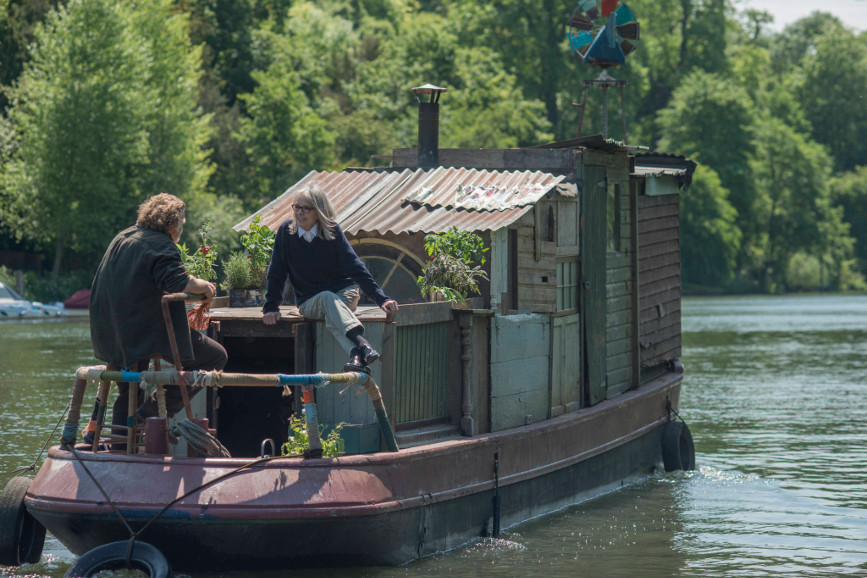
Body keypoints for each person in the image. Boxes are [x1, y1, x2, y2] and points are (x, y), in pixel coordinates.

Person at [89, 193, 228, 441]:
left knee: (128, 390)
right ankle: (151, 412)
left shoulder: (123, 237)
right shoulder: (160, 244)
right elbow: (179, 281)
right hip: (142, 331)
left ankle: (121, 450)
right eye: (182, 223)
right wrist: (205, 287)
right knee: (216, 357)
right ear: (173, 224)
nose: (182, 228)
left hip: (112, 332)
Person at [262, 183, 399, 371]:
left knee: (333, 310)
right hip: (309, 301)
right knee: (328, 299)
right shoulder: (286, 232)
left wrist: (381, 299)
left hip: (345, 293)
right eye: (296, 207)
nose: (299, 213)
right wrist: (270, 306)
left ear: (318, 211)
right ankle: (362, 344)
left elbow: (355, 268)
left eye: (305, 208)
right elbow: (277, 272)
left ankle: (356, 355)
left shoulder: (332, 231)